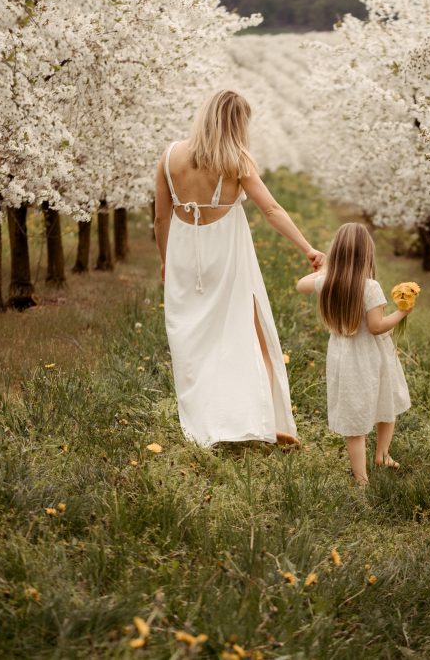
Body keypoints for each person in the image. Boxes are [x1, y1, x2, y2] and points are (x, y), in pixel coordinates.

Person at [154, 90, 324, 447]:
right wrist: (307, 247)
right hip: (226, 255)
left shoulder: (170, 156)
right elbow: (272, 210)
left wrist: (166, 261)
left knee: (193, 341)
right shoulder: (236, 160)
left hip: (185, 254)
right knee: (248, 333)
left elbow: (160, 217)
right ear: (235, 125)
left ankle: (208, 427)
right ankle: (261, 419)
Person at [296, 223, 412, 484]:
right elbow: (376, 327)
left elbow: (301, 284)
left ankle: (362, 477)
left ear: (335, 252)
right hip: (373, 355)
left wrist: (326, 269)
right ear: (367, 254)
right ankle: (380, 455)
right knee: (386, 403)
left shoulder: (328, 281)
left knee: (354, 416)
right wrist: (402, 312)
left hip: (343, 357)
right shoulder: (370, 287)